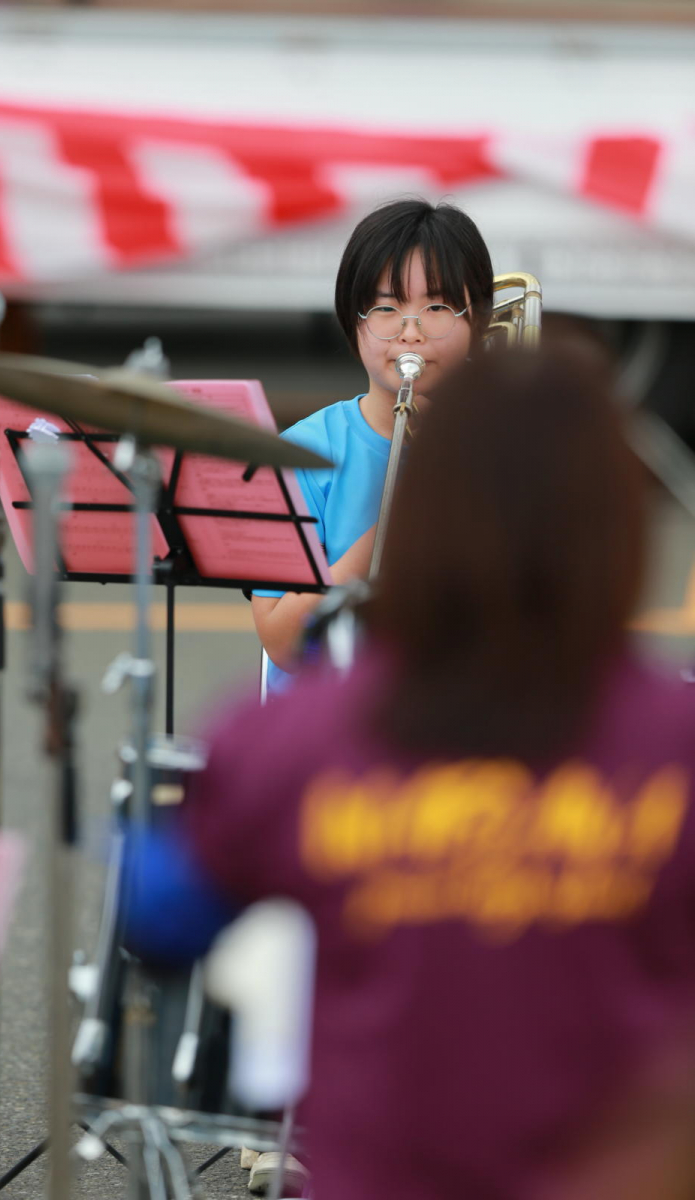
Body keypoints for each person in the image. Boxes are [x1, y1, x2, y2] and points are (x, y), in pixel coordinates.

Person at [123, 341, 695, 1200]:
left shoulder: (294, 738)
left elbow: (155, 913)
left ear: (419, 513)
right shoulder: (675, 738)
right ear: (620, 524)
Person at [252, 197, 493, 692]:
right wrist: (402, 517)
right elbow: (283, 643)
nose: (411, 332)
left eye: (438, 307)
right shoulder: (302, 453)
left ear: (478, 320)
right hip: (331, 717)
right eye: (386, 308)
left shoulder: (509, 448)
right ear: (354, 320)